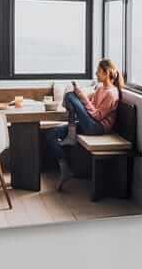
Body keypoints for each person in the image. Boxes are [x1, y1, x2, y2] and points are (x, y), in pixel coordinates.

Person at [45, 59, 123, 189]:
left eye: (98, 71)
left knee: (70, 95)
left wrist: (81, 97)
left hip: (97, 127)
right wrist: (82, 99)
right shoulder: (100, 89)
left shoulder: (112, 93)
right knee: (50, 135)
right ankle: (65, 169)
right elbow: (91, 107)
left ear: (106, 73)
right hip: (89, 122)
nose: (96, 74)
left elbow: (98, 116)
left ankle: (71, 133)